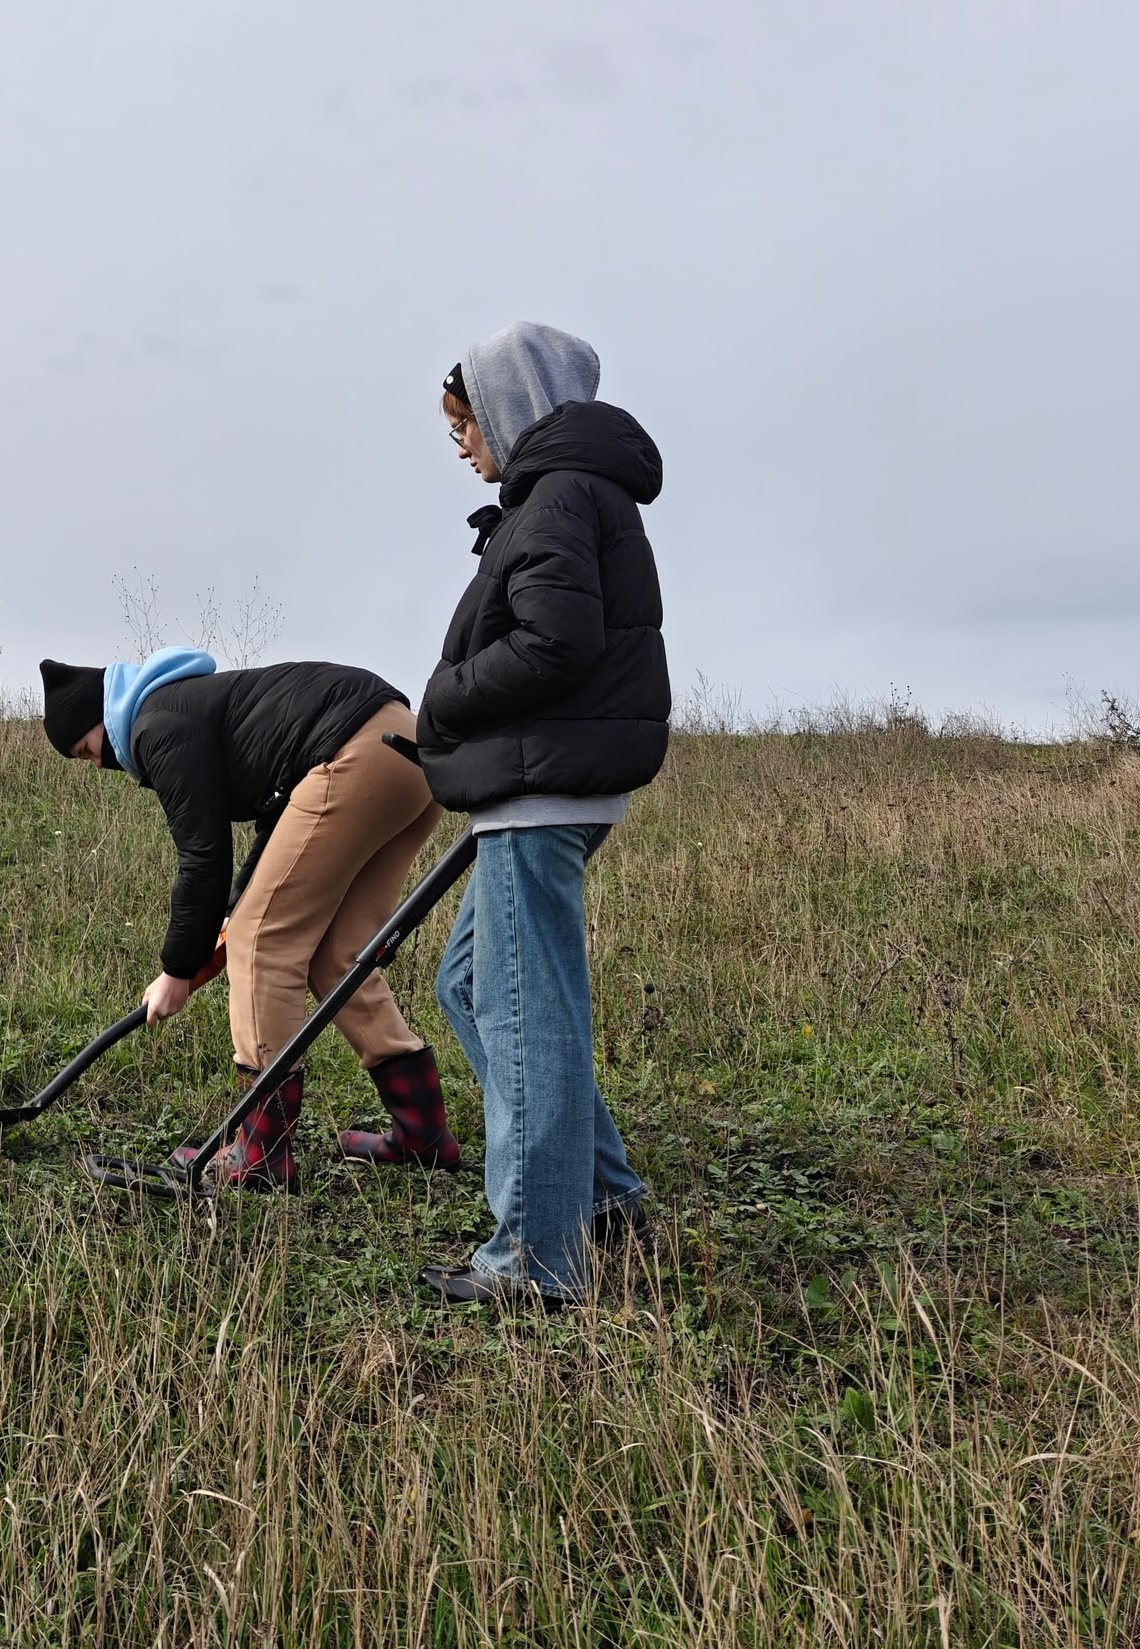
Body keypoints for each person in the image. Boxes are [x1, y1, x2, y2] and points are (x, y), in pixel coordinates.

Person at [412, 320, 671, 1307]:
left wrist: (445, 700)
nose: (460, 443)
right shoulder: (562, 493)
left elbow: (554, 643)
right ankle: (602, 1199)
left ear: (510, 406)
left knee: (526, 1017)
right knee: (472, 984)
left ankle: (535, 1260)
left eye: (464, 421)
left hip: (541, 792)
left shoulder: (557, 493)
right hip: (540, 784)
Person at [39, 650, 458, 1189]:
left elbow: (203, 856)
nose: (97, 764)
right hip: (409, 752)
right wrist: (224, 924)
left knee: (263, 944)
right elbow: (279, 823)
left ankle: (260, 1157)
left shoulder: (155, 726)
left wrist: (176, 969)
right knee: (339, 956)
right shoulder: (190, 705)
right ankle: (423, 1132)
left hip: (354, 751)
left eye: (86, 749)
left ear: (99, 718)